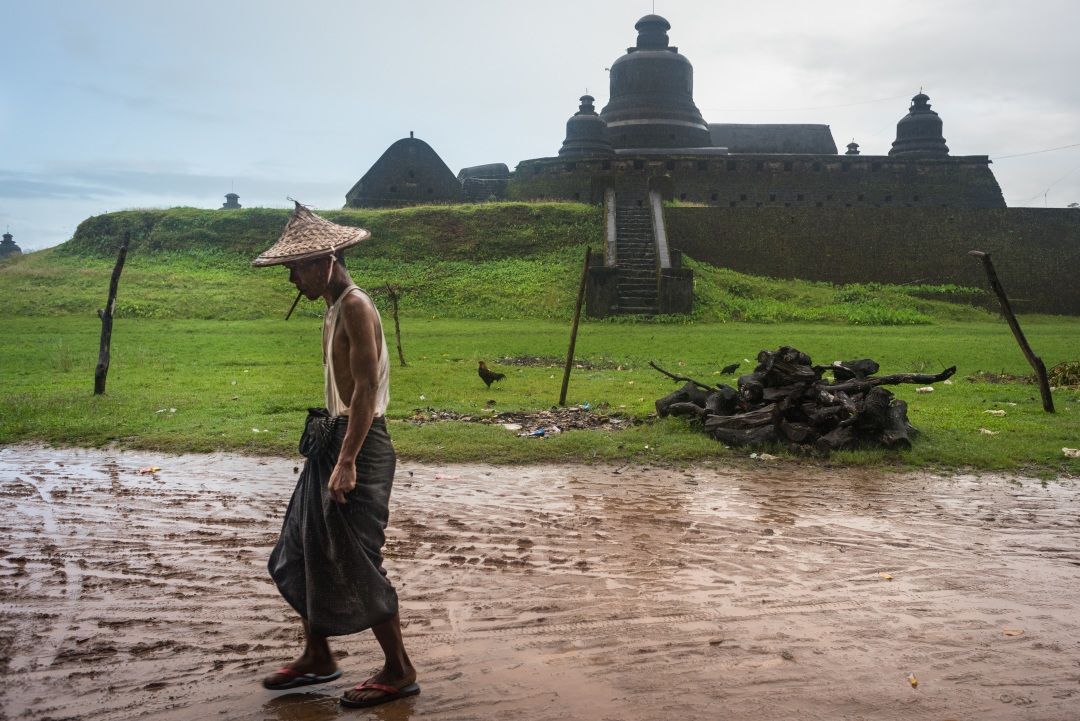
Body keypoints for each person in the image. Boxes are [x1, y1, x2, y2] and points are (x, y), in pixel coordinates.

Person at [252, 202, 418, 709]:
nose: (291, 279)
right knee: (300, 547)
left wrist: (347, 461)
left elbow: (365, 390)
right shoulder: (332, 306)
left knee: (356, 558)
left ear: (326, 260)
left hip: (359, 445)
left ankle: (399, 669)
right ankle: (318, 654)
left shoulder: (355, 305)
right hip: (334, 438)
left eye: (297, 268)